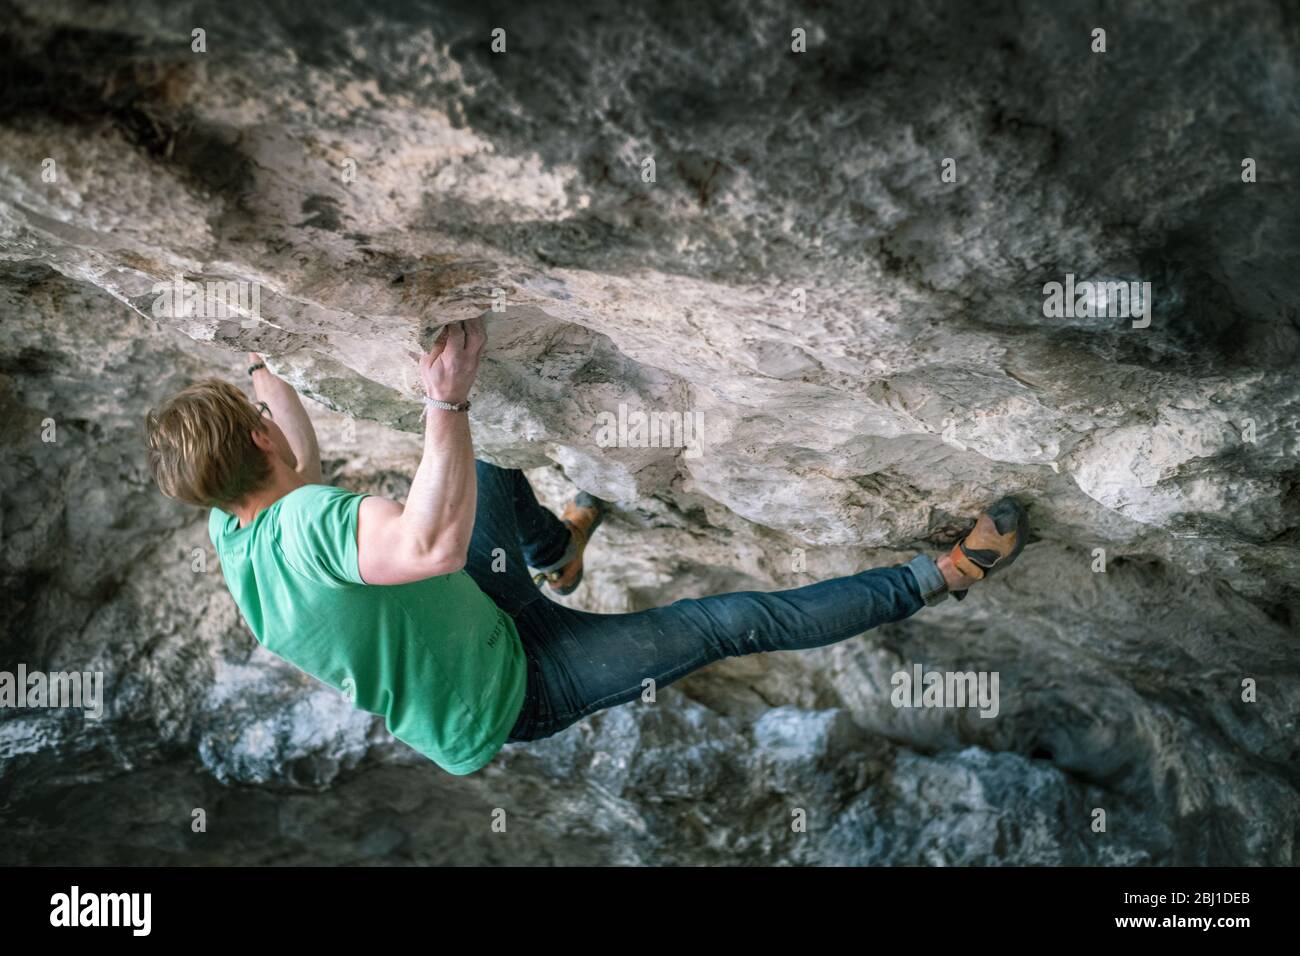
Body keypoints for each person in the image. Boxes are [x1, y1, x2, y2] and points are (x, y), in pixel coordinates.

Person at [144, 317, 1029, 775]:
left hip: (475, 613)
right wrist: (444, 400)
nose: (270, 420)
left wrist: (264, 362)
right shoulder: (312, 529)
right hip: (513, 690)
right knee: (729, 624)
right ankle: (942, 574)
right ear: (254, 445)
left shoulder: (238, 522)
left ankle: (558, 555)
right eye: (259, 417)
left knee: (487, 481)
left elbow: (297, 451)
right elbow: (427, 547)